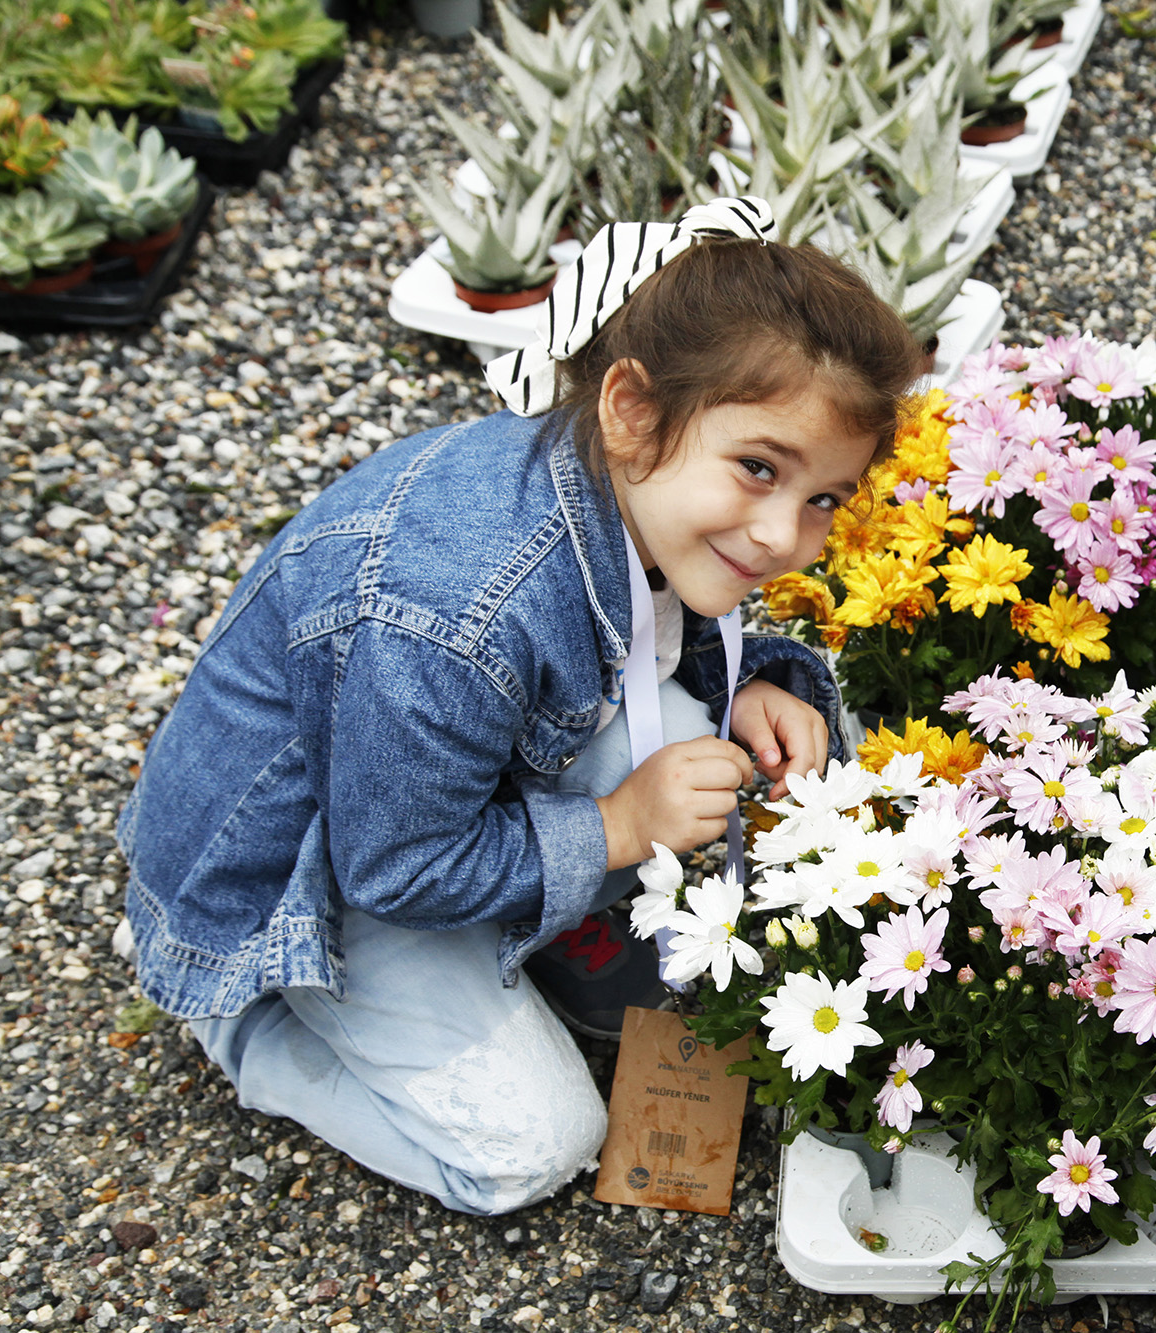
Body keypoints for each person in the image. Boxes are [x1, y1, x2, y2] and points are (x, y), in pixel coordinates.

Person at [113, 198, 926, 1215]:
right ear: (631, 410)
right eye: (759, 468)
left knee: (741, 768)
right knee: (532, 1147)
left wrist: (751, 684)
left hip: (429, 788)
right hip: (308, 876)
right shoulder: (453, 610)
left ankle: (542, 939)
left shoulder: (628, 487)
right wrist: (618, 826)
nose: (781, 535)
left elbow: (644, 638)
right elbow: (392, 865)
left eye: (822, 498)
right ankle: (245, 1016)